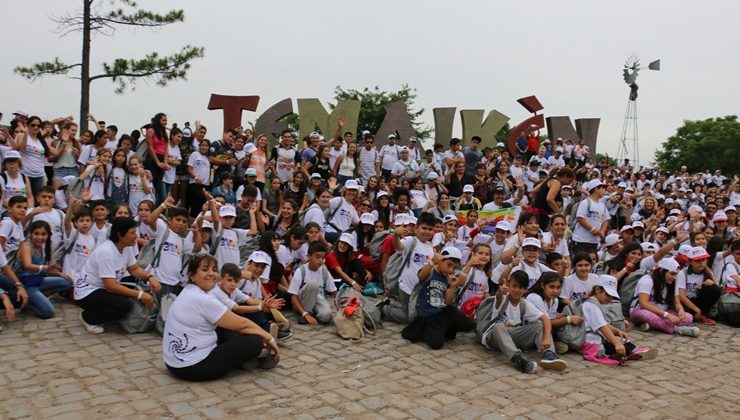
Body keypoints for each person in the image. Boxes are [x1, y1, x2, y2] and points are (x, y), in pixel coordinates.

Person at [163, 255, 279, 381]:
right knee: (254, 341)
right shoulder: (203, 298)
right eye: (205, 269)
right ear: (192, 275)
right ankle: (252, 357)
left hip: (174, 362)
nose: (211, 273)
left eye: (214, 269)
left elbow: (243, 308)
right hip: (192, 366)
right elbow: (243, 324)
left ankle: (246, 359)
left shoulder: (189, 291)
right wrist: (269, 338)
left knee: (226, 326)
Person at [74, 217, 160, 334]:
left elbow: (134, 269)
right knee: (124, 305)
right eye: (132, 233)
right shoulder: (107, 252)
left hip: (106, 287)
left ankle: (107, 313)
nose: (136, 236)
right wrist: (140, 295)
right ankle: (88, 318)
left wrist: (150, 278)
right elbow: (111, 286)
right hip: (88, 291)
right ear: (120, 235)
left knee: (133, 287)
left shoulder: (126, 247)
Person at [480, 270, 568, 373]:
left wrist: (546, 339)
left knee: (540, 325)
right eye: (514, 286)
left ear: (526, 289)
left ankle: (549, 355)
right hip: (494, 337)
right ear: (508, 285)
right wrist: (500, 292)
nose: (517, 290)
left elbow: (546, 320)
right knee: (498, 326)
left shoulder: (525, 304)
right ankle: (518, 360)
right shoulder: (503, 298)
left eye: (521, 287)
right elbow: (499, 297)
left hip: (512, 336)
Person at [401, 247, 476, 349]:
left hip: (442, 312)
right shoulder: (430, 271)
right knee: (436, 344)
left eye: (454, 267)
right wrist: (432, 262)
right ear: (440, 261)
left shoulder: (449, 277)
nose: (451, 270)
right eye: (448, 265)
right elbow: (421, 276)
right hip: (427, 314)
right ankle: (431, 329)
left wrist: (453, 286)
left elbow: (448, 302)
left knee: (469, 325)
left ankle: (443, 329)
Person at [380, 212, 436, 324]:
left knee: (417, 314)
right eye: (424, 228)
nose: (427, 232)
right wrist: (395, 235)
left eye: (430, 229)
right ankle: (385, 309)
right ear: (416, 228)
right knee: (412, 319)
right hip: (406, 287)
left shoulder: (430, 246)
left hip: (419, 290)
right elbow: (398, 246)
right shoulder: (411, 240)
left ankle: (394, 305)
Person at [16, 221, 73, 319]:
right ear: (31, 233)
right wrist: (45, 267)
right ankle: (28, 305)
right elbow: (27, 265)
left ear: (48, 235)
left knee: (68, 282)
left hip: (39, 280)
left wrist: (59, 273)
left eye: (43, 234)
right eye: (36, 234)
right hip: (28, 285)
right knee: (48, 312)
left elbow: (42, 269)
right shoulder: (26, 246)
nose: (39, 237)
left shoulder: (42, 247)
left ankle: (42, 294)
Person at [630, 258, 700, 336]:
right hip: (641, 310)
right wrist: (666, 315)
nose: (674, 277)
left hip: (662, 312)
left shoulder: (672, 283)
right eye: (672, 274)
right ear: (662, 271)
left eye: (676, 275)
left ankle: (652, 325)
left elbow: (677, 303)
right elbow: (643, 304)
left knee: (689, 317)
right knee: (648, 315)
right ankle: (676, 329)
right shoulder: (647, 280)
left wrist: (681, 310)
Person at [288, 241, 337, 326]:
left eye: (323, 257)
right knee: (314, 284)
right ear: (308, 256)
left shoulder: (324, 271)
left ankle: (314, 313)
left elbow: (334, 292)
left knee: (326, 316)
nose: (321, 260)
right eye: (317, 257)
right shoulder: (301, 271)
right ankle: (304, 313)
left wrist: (344, 303)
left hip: (318, 300)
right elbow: (293, 296)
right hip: (302, 301)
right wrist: (305, 314)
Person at [676, 246, 722, 325]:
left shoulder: (708, 272)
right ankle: (698, 314)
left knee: (715, 288)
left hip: (700, 300)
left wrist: (711, 282)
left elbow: (715, 291)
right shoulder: (683, 273)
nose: (701, 263)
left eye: (703, 260)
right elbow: (681, 296)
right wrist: (697, 310)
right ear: (690, 261)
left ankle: (702, 315)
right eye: (697, 260)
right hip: (687, 302)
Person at [572, 179, 610, 254]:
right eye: (602, 188)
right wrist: (592, 229)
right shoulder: (586, 202)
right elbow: (580, 218)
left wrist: (602, 231)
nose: (604, 190)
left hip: (594, 241)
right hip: (581, 240)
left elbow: (606, 219)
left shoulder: (602, 205)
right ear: (596, 189)